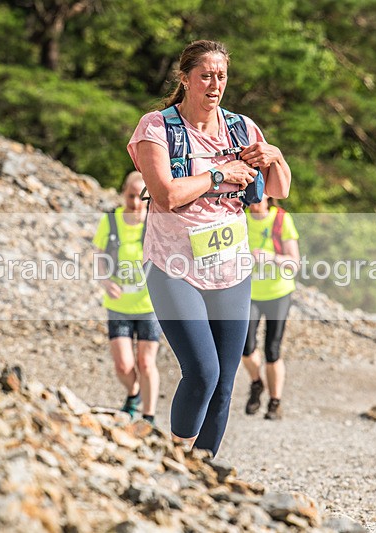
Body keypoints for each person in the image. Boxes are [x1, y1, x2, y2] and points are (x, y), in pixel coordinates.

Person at [127, 40, 291, 456]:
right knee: (202, 371)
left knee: (226, 380)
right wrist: (219, 175)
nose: (215, 84)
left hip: (231, 267)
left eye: (221, 76)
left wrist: (274, 157)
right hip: (173, 265)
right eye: (205, 76)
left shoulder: (242, 127)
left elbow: (277, 190)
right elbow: (165, 195)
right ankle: (177, 456)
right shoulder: (156, 127)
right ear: (185, 79)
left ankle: (203, 473)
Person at [93, 171, 161, 423]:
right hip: (118, 304)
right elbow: (98, 257)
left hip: (149, 305)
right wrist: (105, 281)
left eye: (141, 197)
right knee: (123, 365)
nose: (135, 202)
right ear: (123, 194)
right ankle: (134, 394)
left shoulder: (156, 223)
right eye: (130, 196)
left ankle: (149, 416)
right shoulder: (110, 221)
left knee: (146, 363)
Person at [242, 196, 300, 420]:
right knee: (245, 347)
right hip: (250, 294)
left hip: (279, 293)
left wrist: (272, 257)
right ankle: (257, 383)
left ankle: (275, 403)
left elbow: (294, 263)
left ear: (268, 196)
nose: (254, 199)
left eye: (259, 193)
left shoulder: (281, 219)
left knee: (272, 350)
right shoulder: (241, 219)